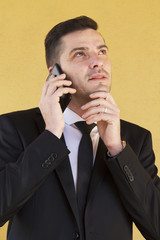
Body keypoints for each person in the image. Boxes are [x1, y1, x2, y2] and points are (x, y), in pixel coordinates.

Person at [0, 16, 160, 240]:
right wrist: (51, 136)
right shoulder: (13, 128)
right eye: (80, 54)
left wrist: (117, 150)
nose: (97, 62)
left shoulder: (135, 139)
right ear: (55, 73)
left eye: (102, 51)